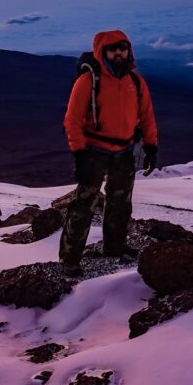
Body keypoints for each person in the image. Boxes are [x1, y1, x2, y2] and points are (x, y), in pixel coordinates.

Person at [59, 30, 159, 277]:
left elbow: (146, 116)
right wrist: (79, 154)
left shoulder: (135, 82)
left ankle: (115, 247)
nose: (118, 53)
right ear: (101, 52)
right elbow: (72, 120)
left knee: (120, 203)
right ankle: (70, 259)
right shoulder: (89, 82)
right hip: (94, 151)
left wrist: (151, 146)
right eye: (112, 49)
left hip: (125, 150)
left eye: (123, 48)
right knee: (84, 205)